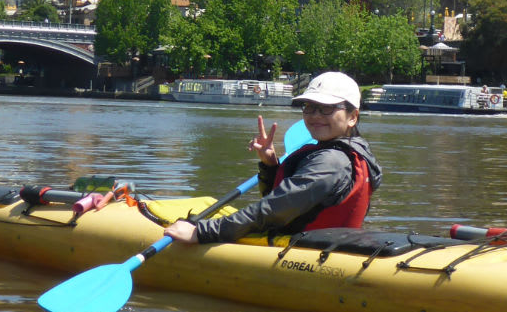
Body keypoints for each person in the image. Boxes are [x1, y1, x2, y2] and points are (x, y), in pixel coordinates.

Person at [163, 71, 382, 245]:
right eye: (309, 107)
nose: (315, 116)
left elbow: (273, 210)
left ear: (352, 117)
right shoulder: (357, 153)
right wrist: (270, 166)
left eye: (327, 109)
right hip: (329, 246)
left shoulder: (331, 162)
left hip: (308, 253)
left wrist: (202, 232)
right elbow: (288, 205)